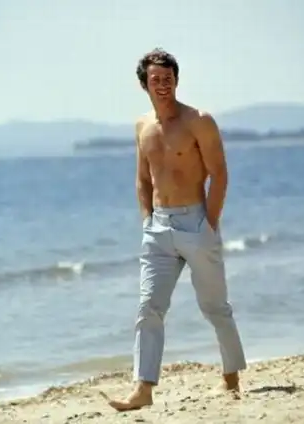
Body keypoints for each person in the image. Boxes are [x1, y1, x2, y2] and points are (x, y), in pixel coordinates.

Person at [108, 48, 247, 411]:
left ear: (176, 80)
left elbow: (220, 174)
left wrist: (209, 223)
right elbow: (142, 178)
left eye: (168, 78)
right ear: (144, 84)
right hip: (158, 228)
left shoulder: (199, 120)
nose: (163, 85)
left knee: (215, 307)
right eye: (155, 79)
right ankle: (143, 389)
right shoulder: (142, 126)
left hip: (195, 222)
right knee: (149, 307)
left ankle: (231, 377)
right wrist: (147, 221)